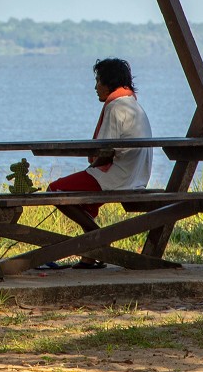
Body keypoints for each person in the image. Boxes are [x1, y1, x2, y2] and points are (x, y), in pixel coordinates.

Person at [44, 57, 153, 269]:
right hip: (136, 175)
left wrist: (91, 166)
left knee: (54, 190)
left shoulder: (116, 107)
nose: (95, 87)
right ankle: (89, 256)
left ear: (108, 82)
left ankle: (97, 236)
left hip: (118, 175)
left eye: (98, 81)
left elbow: (105, 150)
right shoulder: (132, 103)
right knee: (80, 198)